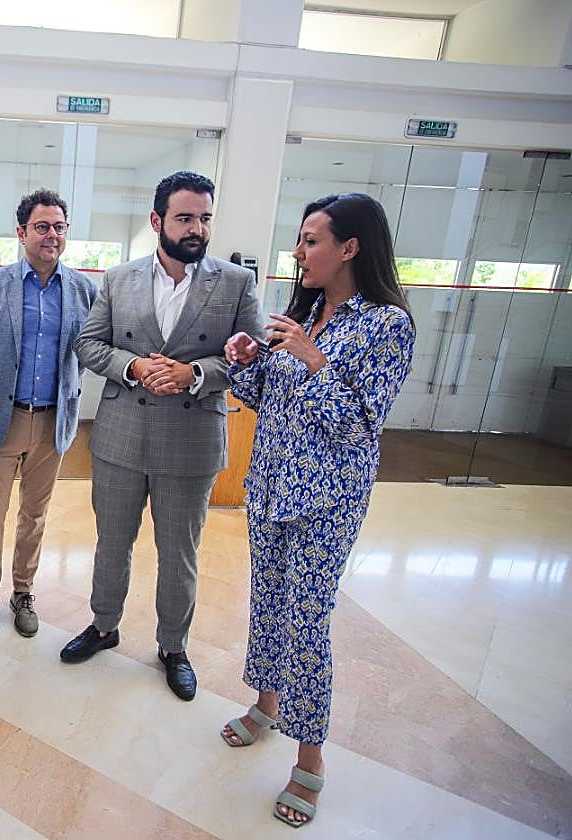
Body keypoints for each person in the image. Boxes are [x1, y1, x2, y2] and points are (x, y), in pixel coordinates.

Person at [221, 192, 415, 828]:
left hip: (324, 502)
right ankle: (266, 704)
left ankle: (310, 761)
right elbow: (266, 398)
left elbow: (362, 421)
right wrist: (245, 360)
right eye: (300, 241)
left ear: (350, 248)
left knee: (307, 624)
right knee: (270, 604)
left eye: (311, 240)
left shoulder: (385, 324)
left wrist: (312, 357)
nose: (300, 253)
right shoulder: (304, 314)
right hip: (271, 487)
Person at [60, 170, 263, 702]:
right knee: (112, 544)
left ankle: (174, 647)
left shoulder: (236, 284)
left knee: (179, 553)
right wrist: (133, 367)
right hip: (123, 436)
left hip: (191, 440)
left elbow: (250, 356)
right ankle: (104, 627)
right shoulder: (118, 278)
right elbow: (87, 343)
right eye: (185, 217)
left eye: (204, 218)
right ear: (157, 221)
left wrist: (192, 374)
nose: (197, 228)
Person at [0, 189, 98, 640]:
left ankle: (24, 591)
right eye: (42, 226)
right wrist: (1, 390)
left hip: (54, 419)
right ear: (22, 232)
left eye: (59, 226)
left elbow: (86, 349)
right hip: (3, 417)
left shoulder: (83, 289)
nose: (52, 235)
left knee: (35, 515)